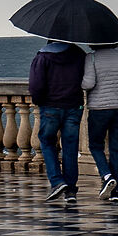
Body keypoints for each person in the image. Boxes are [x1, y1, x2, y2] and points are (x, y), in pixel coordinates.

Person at [27, 38, 85, 201]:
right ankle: (71, 190)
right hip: (74, 106)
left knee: (46, 141)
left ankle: (57, 181)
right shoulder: (79, 54)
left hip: (50, 106)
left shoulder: (42, 57)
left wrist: (39, 101)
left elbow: (36, 86)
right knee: (70, 147)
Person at [81, 40, 118, 200]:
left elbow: (89, 83)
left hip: (99, 108)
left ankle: (107, 175)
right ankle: (114, 193)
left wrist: (78, 82)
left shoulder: (92, 58)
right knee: (116, 148)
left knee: (95, 145)